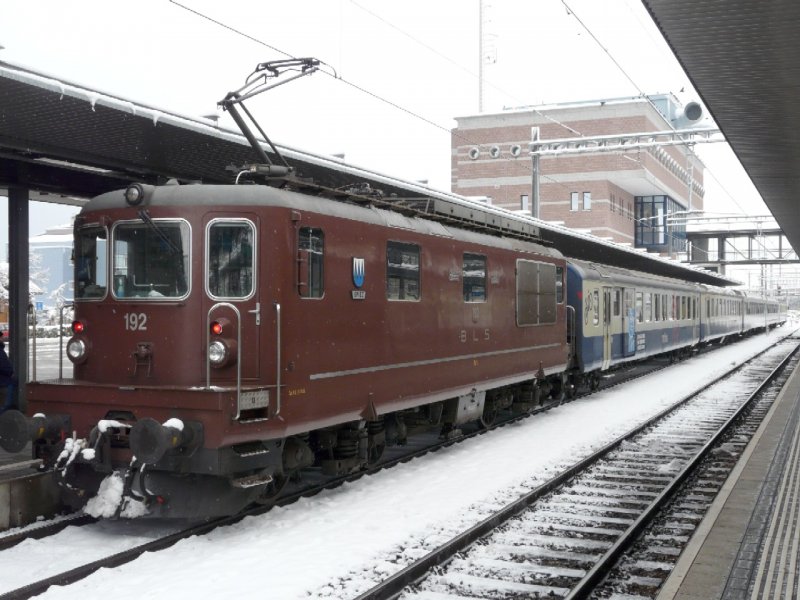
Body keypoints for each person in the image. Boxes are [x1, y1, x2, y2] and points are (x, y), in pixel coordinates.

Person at [0, 331, 14, 414]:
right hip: (2, 383)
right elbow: (4, 366)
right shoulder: (0, 352)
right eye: (1, 337)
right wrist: (10, 372)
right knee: (2, 406)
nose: (3, 339)